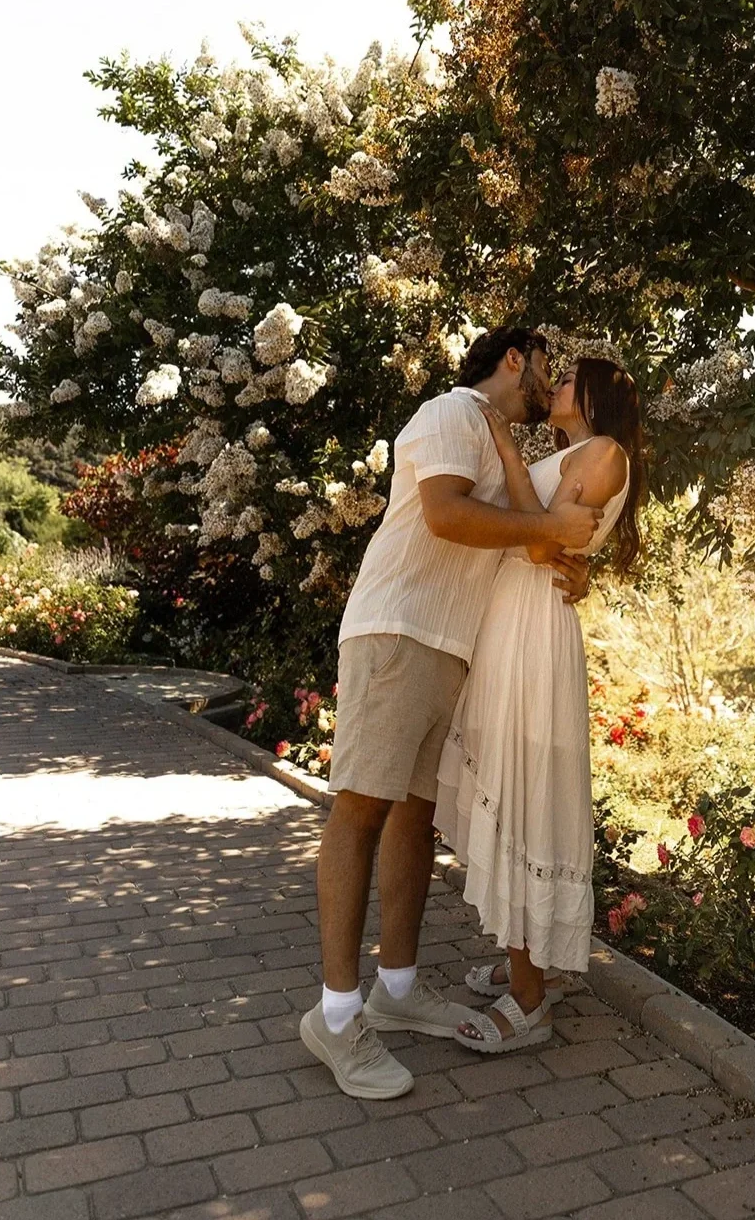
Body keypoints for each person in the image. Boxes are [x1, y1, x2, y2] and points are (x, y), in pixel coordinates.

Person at [299, 325, 604, 1099]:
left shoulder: (495, 436)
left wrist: (571, 566)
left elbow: (524, 544)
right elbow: (444, 514)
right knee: (360, 809)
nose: (550, 378)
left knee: (411, 820)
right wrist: (543, 530)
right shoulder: (449, 412)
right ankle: (335, 1017)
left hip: (450, 647)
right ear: (515, 359)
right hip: (397, 630)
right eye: (545, 364)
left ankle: (394, 991)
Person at [433, 357, 646, 1053]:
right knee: (515, 791)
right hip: (513, 622)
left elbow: (538, 536)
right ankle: (534, 963)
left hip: (533, 631)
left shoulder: (605, 452)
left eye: (565, 380)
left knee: (522, 799)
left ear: (594, 397)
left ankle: (528, 1001)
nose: (552, 387)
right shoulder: (568, 455)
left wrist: (503, 449)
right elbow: (542, 532)